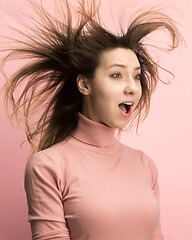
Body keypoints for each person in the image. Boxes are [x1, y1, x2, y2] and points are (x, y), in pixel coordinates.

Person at [1, 0, 183, 239]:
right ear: (85, 84)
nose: (132, 87)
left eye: (136, 77)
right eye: (116, 75)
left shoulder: (145, 165)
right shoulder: (47, 167)